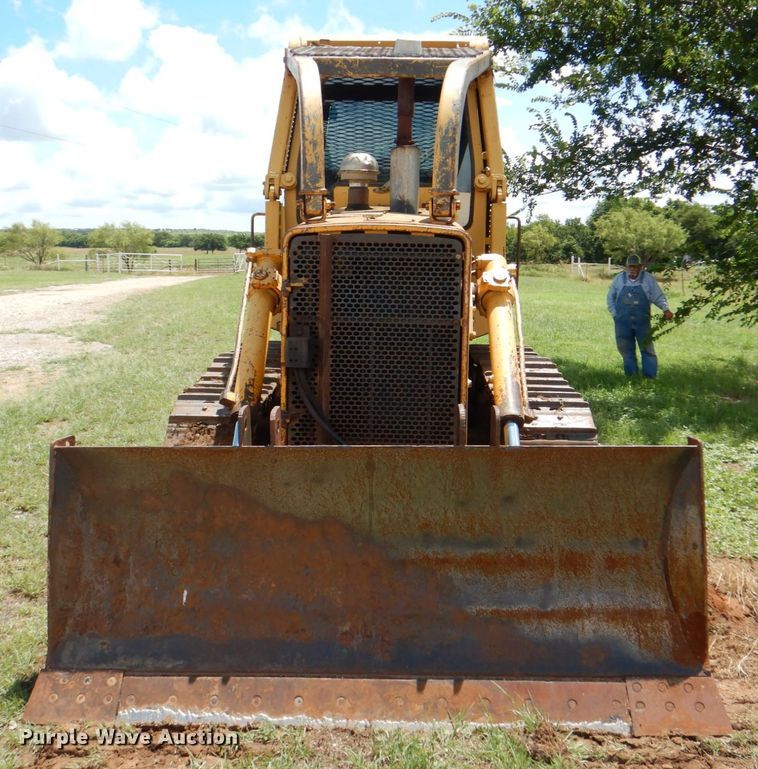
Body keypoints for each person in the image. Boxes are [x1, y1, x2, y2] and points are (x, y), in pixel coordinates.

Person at [607, 255, 674, 378]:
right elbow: (610, 297)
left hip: (642, 322)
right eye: (630, 266)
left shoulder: (648, 279)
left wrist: (666, 309)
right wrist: (615, 313)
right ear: (626, 267)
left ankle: (650, 377)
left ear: (640, 267)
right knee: (626, 350)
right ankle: (631, 376)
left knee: (647, 349)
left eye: (635, 266)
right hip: (622, 322)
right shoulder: (619, 279)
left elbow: (658, 296)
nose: (632, 269)